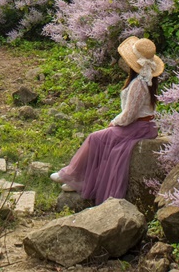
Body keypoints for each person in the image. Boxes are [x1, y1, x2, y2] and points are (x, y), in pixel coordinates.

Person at [50, 36, 164, 205]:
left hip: (137, 126)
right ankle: (80, 179)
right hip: (142, 125)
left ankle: (73, 175)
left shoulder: (138, 84)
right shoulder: (146, 81)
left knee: (96, 138)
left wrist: (114, 122)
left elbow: (129, 115)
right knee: (102, 140)